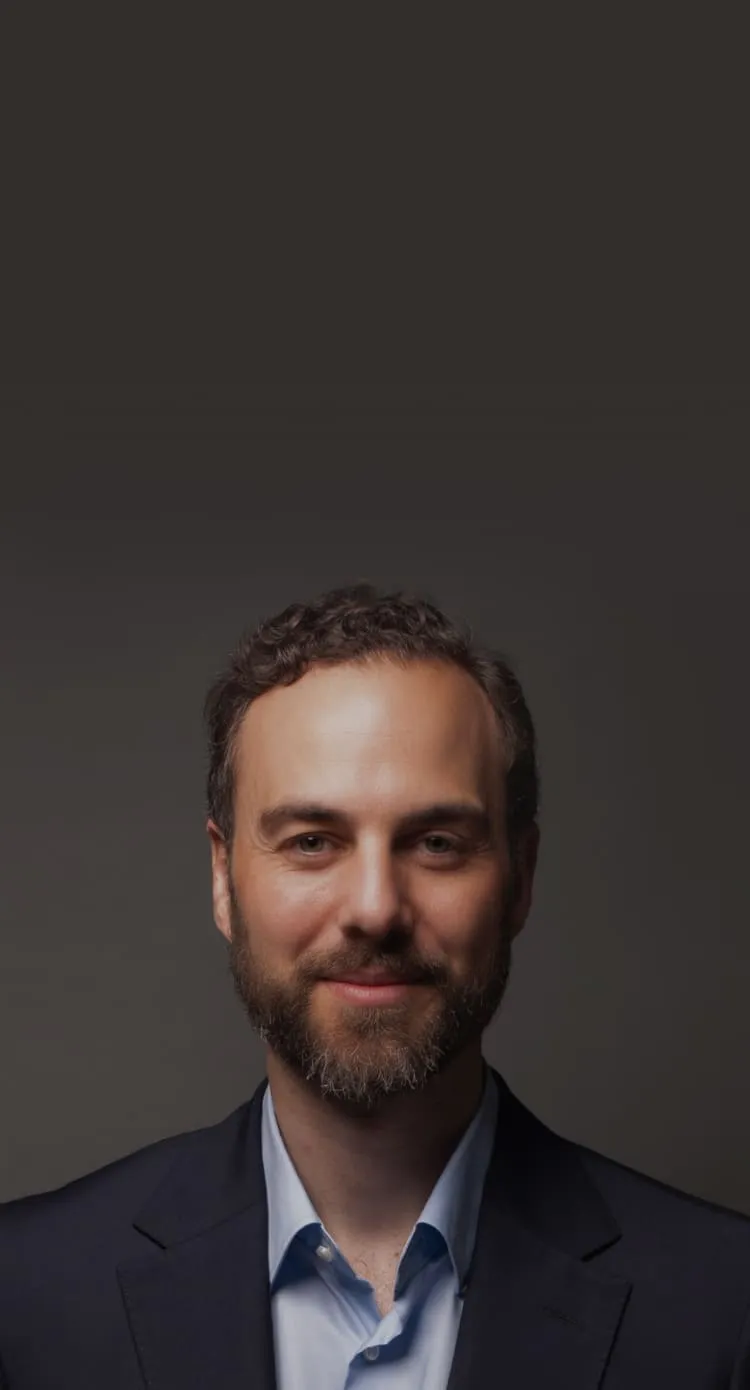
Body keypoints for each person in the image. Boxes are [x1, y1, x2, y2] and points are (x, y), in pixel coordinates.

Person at [1, 581, 749, 1390]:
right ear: (223, 876)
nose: (374, 909)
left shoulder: (724, 1310)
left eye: (435, 842)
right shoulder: (23, 1297)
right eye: (313, 840)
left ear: (521, 878)